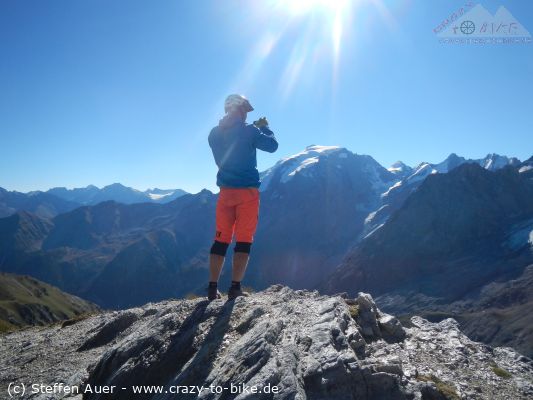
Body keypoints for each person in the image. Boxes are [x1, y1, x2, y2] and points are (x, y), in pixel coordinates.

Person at [207, 94, 278, 300]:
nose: (246, 114)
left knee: (220, 240)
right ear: (241, 109)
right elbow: (272, 146)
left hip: (225, 193)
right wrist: (264, 127)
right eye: (245, 110)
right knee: (244, 240)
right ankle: (235, 288)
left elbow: (232, 143)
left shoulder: (214, 134)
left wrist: (250, 130)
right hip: (247, 193)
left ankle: (212, 288)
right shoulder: (250, 131)